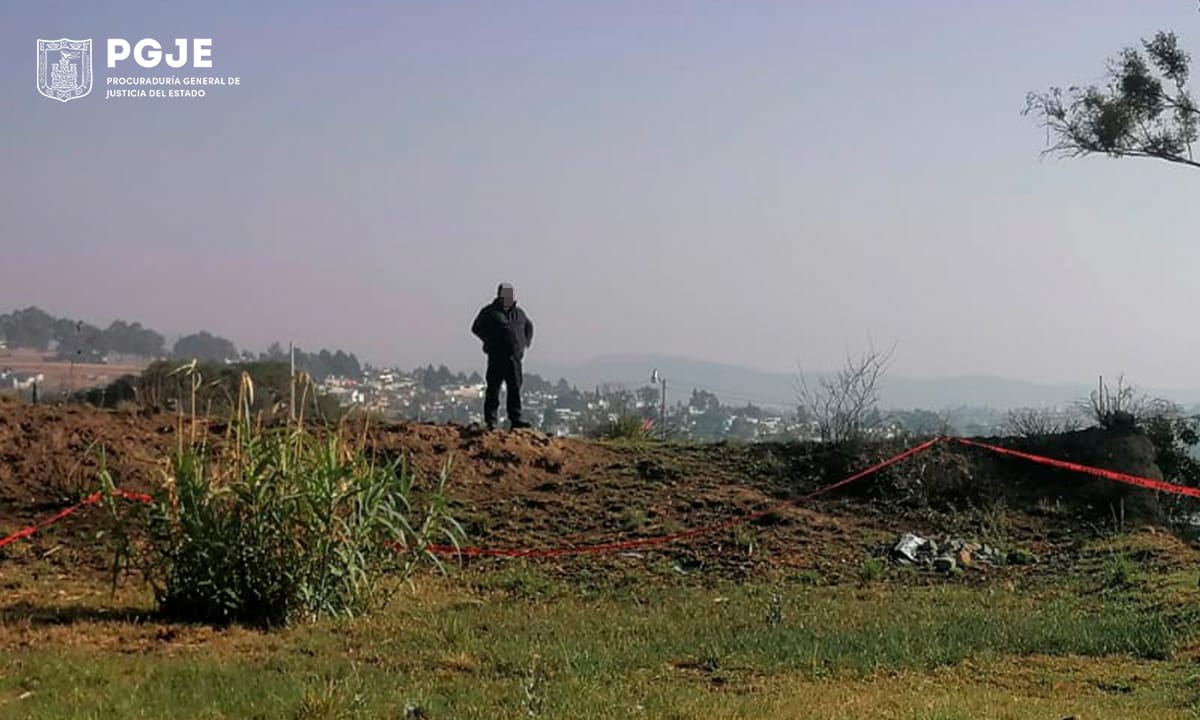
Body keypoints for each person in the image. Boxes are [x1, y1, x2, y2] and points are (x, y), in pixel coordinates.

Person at [471, 283, 534, 430]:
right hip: (496, 356)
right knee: (493, 388)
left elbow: (529, 326)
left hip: (514, 358)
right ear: (499, 295)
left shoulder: (519, 313)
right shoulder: (489, 312)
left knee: (515, 388)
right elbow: (476, 328)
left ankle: (516, 419)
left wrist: (525, 343)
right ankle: (491, 421)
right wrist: (489, 340)